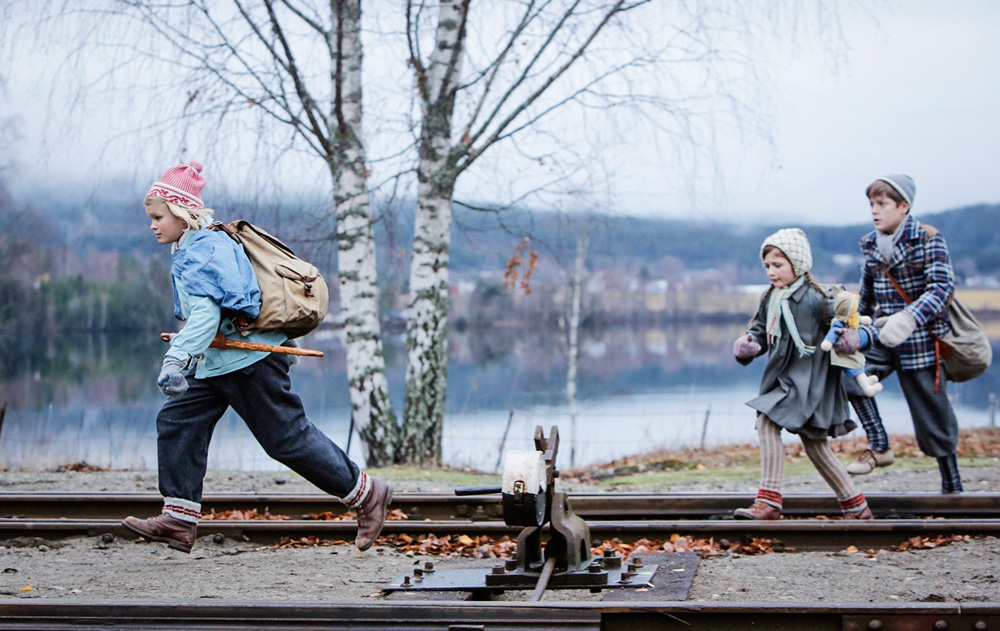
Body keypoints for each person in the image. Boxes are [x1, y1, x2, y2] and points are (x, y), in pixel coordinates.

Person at [122, 161, 393, 553]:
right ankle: (179, 520)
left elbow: (206, 314)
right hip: (220, 361)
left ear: (182, 213)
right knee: (178, 420)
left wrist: (175, 358)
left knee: (286, 438)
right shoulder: (206, 243)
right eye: (151, 217)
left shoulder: (200, 252)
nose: (153, 225)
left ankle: (366, 494)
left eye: (158, 216)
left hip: (246, 365)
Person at [732, 228, 872, 520]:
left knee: (768, 422)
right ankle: (856, 507)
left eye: (778, 265)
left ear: (797, 264)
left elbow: (845, 318)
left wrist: (852, 335)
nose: (771, 272)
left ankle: (769, 501)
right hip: (784, 380)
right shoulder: (771, 297)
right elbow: (758, 331)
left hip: (811, 382)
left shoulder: (817, 297)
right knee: (815, 445)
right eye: (767, 266)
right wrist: (748, 346)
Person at [836, 174, 963, 493]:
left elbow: (942, 287)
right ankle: (880, 445)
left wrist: (908, 318)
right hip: (879, 336)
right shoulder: (869, 243)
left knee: (933, 415)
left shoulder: (928, 238)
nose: (875, 211)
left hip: (920, 341)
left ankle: (953, 487)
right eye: (871, 205)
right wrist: (851, 324)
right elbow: (866, 295)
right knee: (846, 371)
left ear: (903, 206)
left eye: (882, 204)